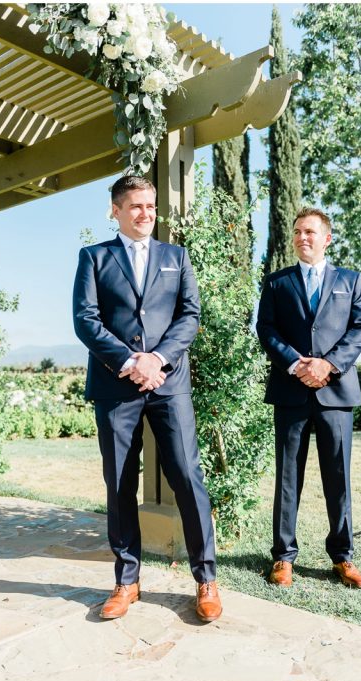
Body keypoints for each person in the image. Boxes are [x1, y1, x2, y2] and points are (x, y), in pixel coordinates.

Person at [73, 175, 221, 622]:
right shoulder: (94, 257)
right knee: (119, 483)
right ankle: (127, 580)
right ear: (116, 210)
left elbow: (189, 314)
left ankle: (206, 579)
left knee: (188, 478)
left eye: (151, 206)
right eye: (136, 206)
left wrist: (157, 359)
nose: (145, 214)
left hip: (168, 383)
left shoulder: (177, 257)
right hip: (115, 384)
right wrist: (129, 361)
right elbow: (85, 318)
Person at [256, 207, 361, 589]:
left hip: (336, 394)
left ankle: (343, 556)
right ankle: (283, 557)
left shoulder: (351, 282)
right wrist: (296, 365)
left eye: (310, 232)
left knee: (338, 478)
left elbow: (359, 329)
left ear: (327, 238)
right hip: (291, 393)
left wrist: (328, 366)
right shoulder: (276, 283)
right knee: (288, 478)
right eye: (297, 232)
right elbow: (267, 330)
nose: (302, 238)